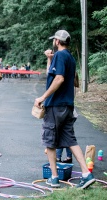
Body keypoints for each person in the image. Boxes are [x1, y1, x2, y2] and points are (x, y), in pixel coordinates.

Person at [34, 30, 95, 189]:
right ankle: (86, 174)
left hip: (56, 106)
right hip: (67, 105)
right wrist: (49, 59)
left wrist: (42, 97)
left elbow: (59, 79)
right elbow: (53, 75)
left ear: (57, 41)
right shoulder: (69, 58)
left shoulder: (60, 56)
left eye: (54, 40)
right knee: (70, 140)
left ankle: (54, 178)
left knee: (50, 141)